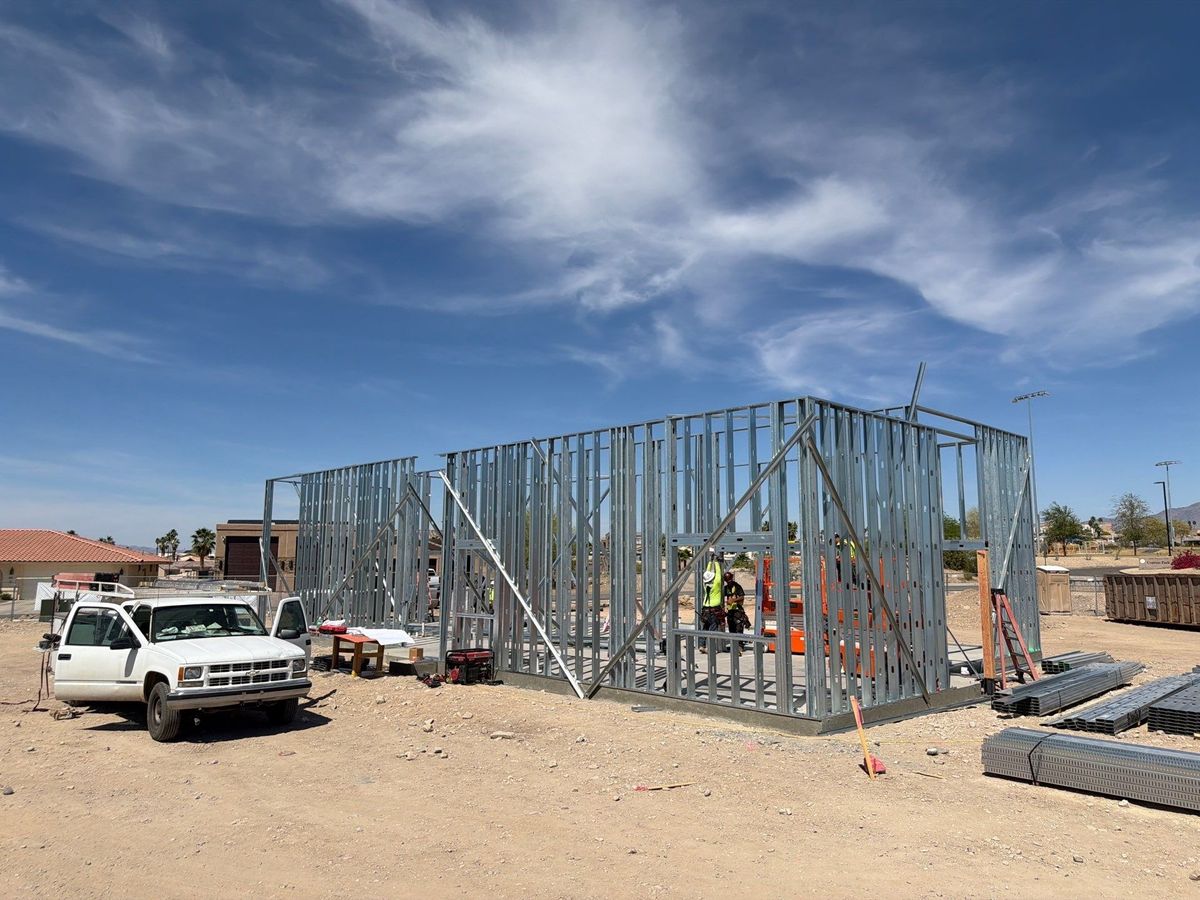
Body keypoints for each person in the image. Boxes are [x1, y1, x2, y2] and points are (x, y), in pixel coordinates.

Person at [699, 552, 725, 652]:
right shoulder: (716, 584)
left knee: (705, 627)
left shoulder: (705, 584)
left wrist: (711, 561)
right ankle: (710, 647)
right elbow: (718, 574)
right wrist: (717, 562)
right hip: (714, 609)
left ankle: (702, 645)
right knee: (712, 628)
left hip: (705, 609)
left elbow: (707, 572)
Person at [723, 571, 749, 651]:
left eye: (730, 580)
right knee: (732, 629)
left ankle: (740, 646)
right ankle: (734, 645)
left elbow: (742, 597)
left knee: (739, 629)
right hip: (730, 611)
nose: (729, 582)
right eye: (727, 580)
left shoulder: (737, 586)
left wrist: (734, 600)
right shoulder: (726, 588)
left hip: (738, 611)